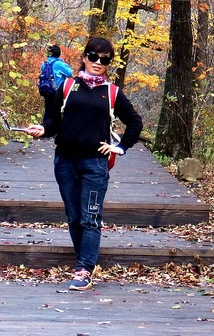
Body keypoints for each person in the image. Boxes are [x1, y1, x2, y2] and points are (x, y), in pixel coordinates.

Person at [24, 37, 143, 291]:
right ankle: (83, 262)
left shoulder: (111, 92)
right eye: (93, 56)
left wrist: (120, 147)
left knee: (90, 217)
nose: (98, 63)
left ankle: (84, 270)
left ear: (109, 63)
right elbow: (53, 121)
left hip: (95, 165)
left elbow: (135, 123)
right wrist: (42, 129)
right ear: (84, 57)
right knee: (74, 216)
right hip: (65, 161)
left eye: (105, 59)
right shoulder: (67, 86)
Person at [39, 45, 73, 114]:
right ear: (58, 54)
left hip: (46, 89)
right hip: (57, 91)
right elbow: (69, 74)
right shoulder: (58, 64)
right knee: (57, 111)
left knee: (48, 109)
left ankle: (46, 124)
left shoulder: (44, 64)